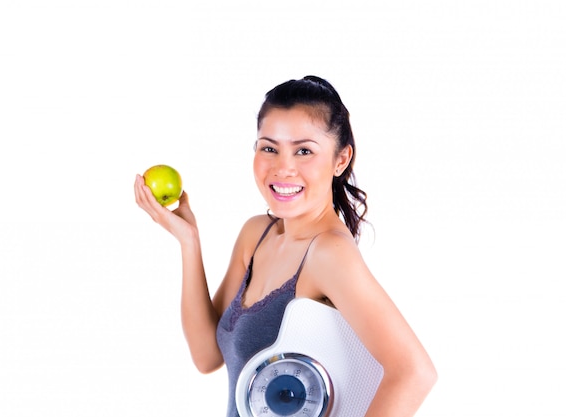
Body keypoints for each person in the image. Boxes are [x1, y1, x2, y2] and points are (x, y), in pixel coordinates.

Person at [134, 75, 437, 416]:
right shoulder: (256, 234)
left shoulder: (328, 254)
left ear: (341, 160)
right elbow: (207, 357)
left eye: (304, 150)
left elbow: (414, 372)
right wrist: (188, 242)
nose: (283, 168)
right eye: (269, 148)